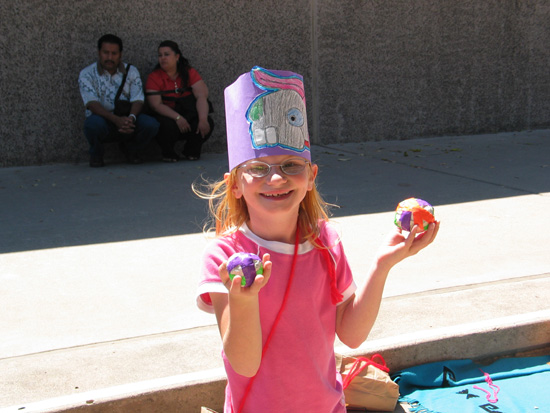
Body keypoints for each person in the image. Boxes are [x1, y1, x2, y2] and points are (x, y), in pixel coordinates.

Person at [194, 67, 440, 412]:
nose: (276, 179)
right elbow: (244, 364)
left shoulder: (325, 240)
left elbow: (352, 335)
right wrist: (244, 301)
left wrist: (382, 265)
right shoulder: (225, 256)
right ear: (235, 184)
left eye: (291, 165)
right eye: (259, 168)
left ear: (311, 177)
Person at [78, 34, 159, 167]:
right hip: (104, 120)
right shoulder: (86, 74)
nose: (110, 57)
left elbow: (138, 99)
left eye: (114, 53)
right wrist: (116, 120)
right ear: (99, 52)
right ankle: (96, 154)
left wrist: (131, 118)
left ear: (120, 54)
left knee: (151, 125)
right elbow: (92, 103)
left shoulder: (131, 71)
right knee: (92, 124)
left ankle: (131, 150)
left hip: (128, 119)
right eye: (106, 53)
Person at [145, 40, 214, 162]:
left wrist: (203, 120)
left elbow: (202, 96)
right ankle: (168, 153)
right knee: (164, 125)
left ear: (177, 57)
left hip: (189, 115)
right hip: (169, 118)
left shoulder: (189, 72)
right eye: (160, 55)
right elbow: (156, 105)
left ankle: (191, 151)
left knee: (207, 122)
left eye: (167, 54)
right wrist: (178, 118)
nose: (163, 58)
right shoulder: (154, 77)